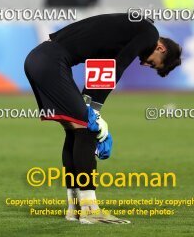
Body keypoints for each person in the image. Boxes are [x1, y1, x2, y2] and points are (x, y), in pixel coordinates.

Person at [24, 13, 182, 224]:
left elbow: (102, 70)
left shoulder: (126, 34)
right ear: (161, 48)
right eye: (154, 64)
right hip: (50, 61)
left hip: (41, 58)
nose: (146, 65)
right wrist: (94, 111)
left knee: (76, 130)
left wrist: (91, 107)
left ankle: (76, 208)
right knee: (87, 130)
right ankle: (91, 210)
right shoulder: (149, 33)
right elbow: (120, 65)